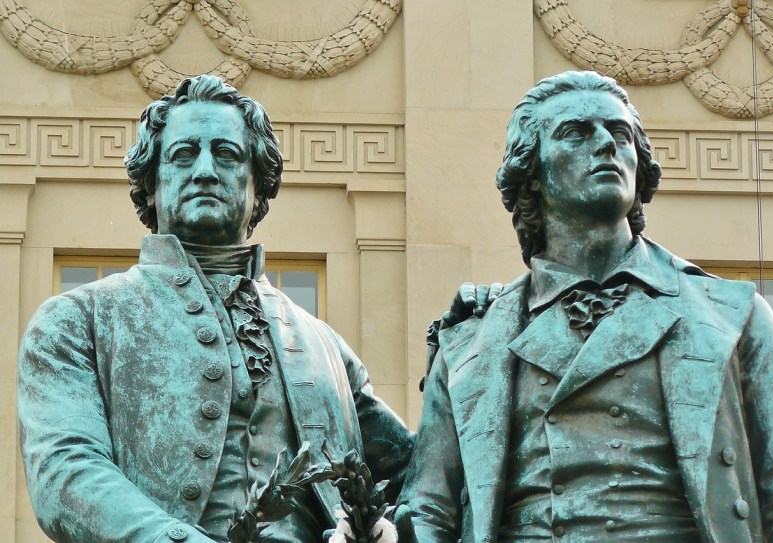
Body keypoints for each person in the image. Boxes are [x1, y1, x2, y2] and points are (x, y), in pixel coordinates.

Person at [17, 75, 488, 543]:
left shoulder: (324, 346)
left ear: (258, 185)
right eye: (183, 155)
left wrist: (473, 350)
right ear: (151, 183)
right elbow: (65, 472)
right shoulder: (78, 321)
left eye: (226, 154)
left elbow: (429, 484)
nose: (204, 170)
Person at [399, 70, 773, 542]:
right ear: (531, 175)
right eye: (576, 133)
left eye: (619, 133)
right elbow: (426, 510)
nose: (606, 144)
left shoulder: (732, 314)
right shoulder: (470, 343)